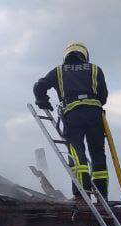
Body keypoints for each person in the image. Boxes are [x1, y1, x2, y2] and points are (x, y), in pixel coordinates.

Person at [32, 42, 110, 200]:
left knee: (76, 151)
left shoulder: (59, 71)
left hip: (73, 114)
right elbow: (103, 97)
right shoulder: (95, 69)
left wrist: (43, 101)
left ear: (66, 55)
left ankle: (81, 195)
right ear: (85, 55)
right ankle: (103, 197)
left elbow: (39, 86)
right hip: (95, 114)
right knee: (98, 154)